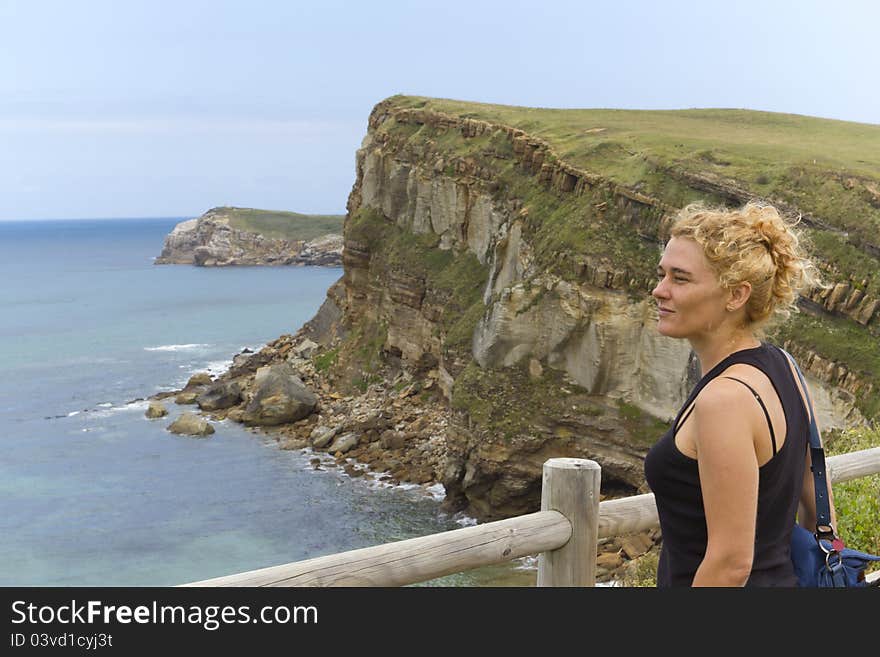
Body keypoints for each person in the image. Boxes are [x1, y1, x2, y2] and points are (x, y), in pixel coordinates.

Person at [643, 201, 837, 587]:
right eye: (662, 274)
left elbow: (731, 565)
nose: (658, 290)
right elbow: (819, 511)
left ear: (736, 295)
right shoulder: (784, 367)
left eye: (679, 279)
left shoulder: (724, 401)